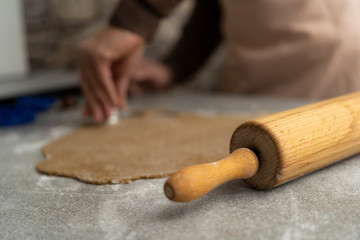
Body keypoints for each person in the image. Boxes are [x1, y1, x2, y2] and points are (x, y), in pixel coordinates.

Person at [78, 0, 360, 123]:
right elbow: (214, 9)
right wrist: (173, 67)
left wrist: (135, 17)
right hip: (253, 90)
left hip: (338, 74)